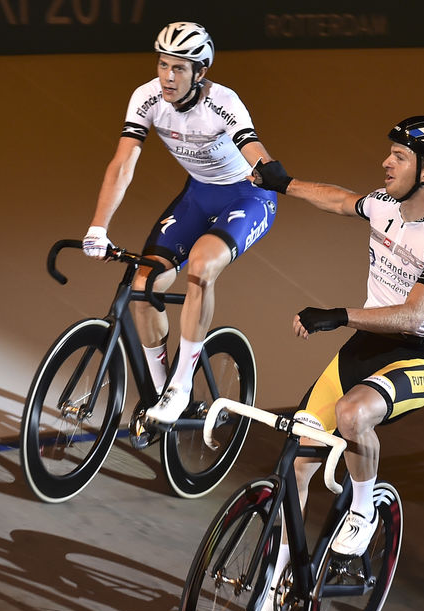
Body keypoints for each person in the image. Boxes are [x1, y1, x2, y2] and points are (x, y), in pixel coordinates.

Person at [250, 115, 424, 611]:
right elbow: (340, 198)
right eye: (389, 152)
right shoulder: (388, 206)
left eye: (399, 156)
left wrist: (339, 315)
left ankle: (365, 511)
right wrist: (285, 182)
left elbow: (415, 314)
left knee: (352, 414)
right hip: (363, 349)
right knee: (297, 465)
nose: (386, 162)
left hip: (414, 358)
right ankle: (272, 586)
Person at [82, 21, 281, 438]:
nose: (167, 77)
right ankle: (161, 395)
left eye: (179, 68)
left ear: (200, 72)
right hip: (197, 197)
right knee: (142, 287)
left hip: (247, 197)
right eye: (162, 64)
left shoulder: (223, 102)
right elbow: (123, 164)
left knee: (201, 267)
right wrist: (98, 226)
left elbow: (252, 146)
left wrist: (270, 170)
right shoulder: (147, 97)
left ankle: (181, 382)